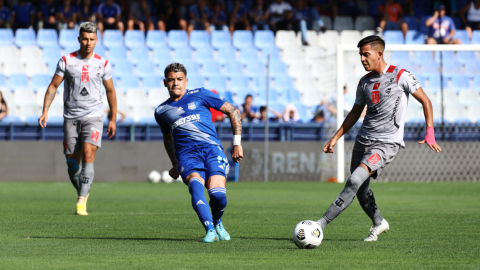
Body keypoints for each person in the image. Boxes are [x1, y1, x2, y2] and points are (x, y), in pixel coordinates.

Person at [317, 35, 442, 241]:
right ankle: (379, 222)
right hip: (363, 140)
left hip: (386, 144)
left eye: (366, 54)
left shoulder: (401, 75)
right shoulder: (364, 82)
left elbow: (426, 101)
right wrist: (336, 138)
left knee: (354, 180)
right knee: (360, 189)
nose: (362, 59)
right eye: (360, 55)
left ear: (379, 54)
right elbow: (355, 113)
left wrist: (430, 133)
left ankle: (319, 225)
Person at [154, 63, 243, 243]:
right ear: (165, 82)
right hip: (187, 155)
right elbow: (168, 139)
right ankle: (209, 229)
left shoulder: (201, 94)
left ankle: (217, 221)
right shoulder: (161, 111)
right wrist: (174, 163)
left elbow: (233, 111)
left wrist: (237, 144)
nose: (175, 83)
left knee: (218, 195)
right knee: (195, 186)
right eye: (171, 80)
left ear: (186, 81)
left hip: (211, 150)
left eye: (179, 80)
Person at [38, 22, 117, 216]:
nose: (88, 43)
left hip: (94, 116)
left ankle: (81, 202)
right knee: (72, 164)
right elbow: (53, 87)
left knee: (88, 155)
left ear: (96, 40)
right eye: (85, 39)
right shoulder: (66, 60)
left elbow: (110, 90)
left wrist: (113, 118)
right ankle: (83, 190)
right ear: (79, 39)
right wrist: (45, 110)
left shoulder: (103, 63)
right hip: (71, 117)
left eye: (92, 39)